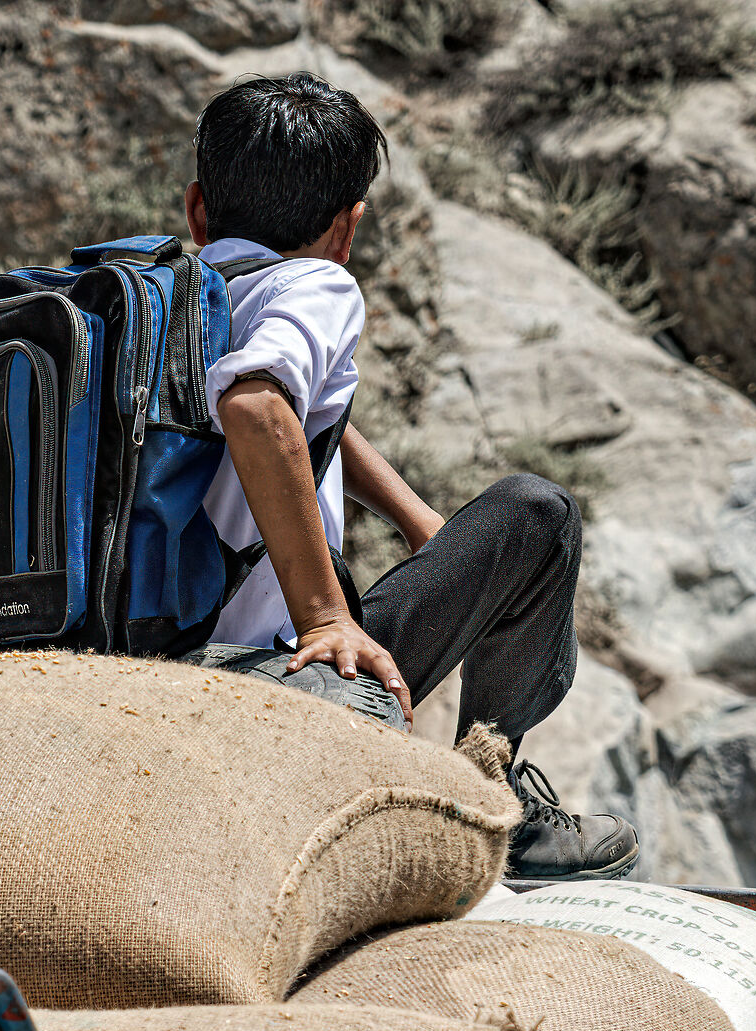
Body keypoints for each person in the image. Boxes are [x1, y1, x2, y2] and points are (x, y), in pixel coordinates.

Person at [191, 73, 637, 880]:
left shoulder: (167, 295)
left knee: (491, 531)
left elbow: (310, 412)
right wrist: (326, 615)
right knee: (539, 516)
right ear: (346, 227)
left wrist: (418, 520)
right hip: (267, 680)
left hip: (157, 657)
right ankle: (495, 804)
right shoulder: (314, 284)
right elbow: (259, 410)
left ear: (197, 209)